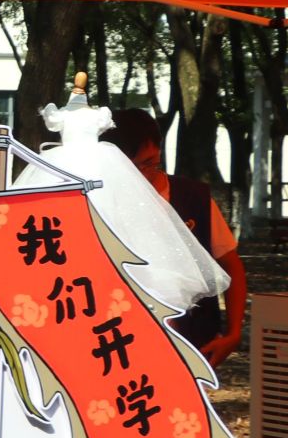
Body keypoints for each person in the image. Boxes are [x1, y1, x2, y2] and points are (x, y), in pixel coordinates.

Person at [106, 108, 248, 367]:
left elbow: (231, 264)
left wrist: (233, 333)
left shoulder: (192, 197)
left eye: (152, 163)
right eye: (135, 167)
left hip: (192, 339)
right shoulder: (100, 202)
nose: (145, 174)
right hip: (123, 342)